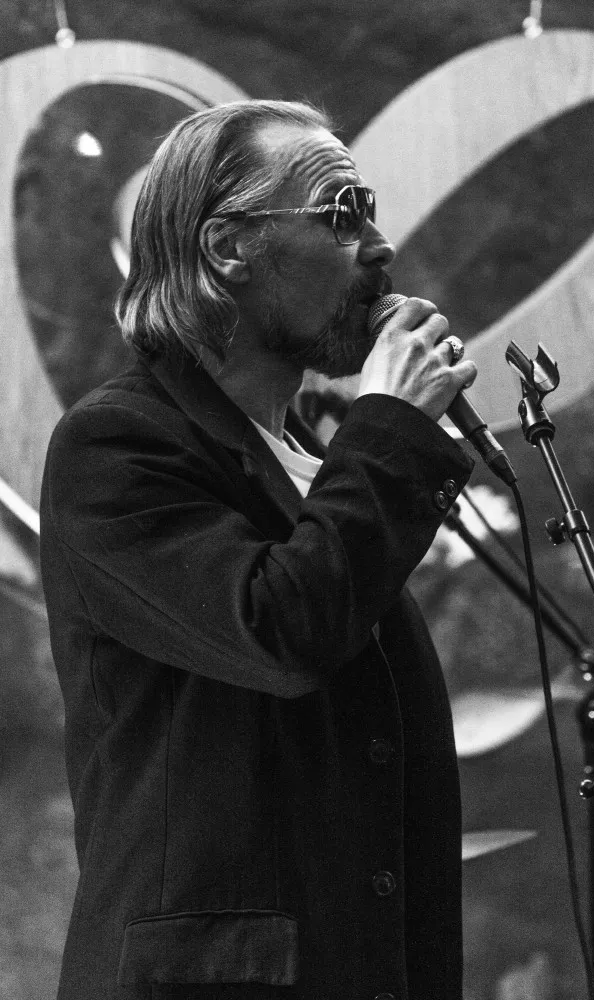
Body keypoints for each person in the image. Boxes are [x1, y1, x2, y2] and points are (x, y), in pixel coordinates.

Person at [40, 99, 478, 1000]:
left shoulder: (317, 462)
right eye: (341, 213)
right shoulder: (117, 445)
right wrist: (387, 423)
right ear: (228, 246)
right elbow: (279, 630)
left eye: (370, 212)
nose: (380, 247)